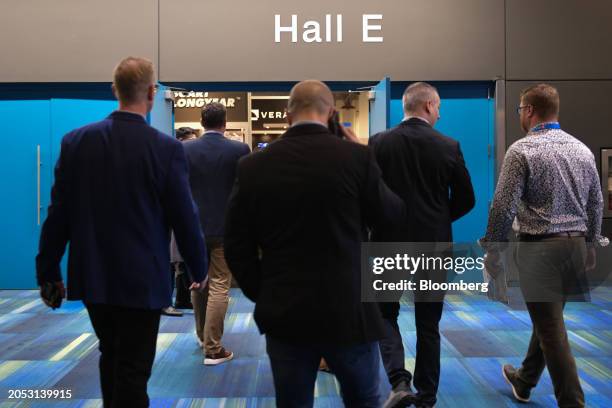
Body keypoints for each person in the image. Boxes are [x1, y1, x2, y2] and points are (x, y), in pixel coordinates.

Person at [35, 56, 208, 408]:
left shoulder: (76, 142)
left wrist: (48, 271)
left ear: (115, 90)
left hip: (94, 273)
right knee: (133, 366)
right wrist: (198, 267)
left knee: (110, 353)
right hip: (143, 278)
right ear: (151, 92)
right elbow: (184, 216)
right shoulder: (166, 149)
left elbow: (58, 215)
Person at [224, 80, 405, 407]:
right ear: (332, 113)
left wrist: (263, 292)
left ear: (287, 113)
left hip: (285, 311)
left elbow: (237, 244)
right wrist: (364, 155)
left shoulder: (253, 166)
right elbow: (392, 216)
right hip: (349, 309)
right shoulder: (356, 158)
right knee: (364, 400)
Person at [481, 84, 603, 408]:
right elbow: (596, 203)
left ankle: (572, 402)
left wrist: (492, 249)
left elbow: (503, 206)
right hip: (574, 247)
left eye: (520, 109)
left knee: (551, 330)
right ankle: (525, 380)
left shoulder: (522, 150)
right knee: (548, 319)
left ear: (530, 110)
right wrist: (590, 243)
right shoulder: (582, 150)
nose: (520, 114)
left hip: (539, 251)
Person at [369, 82, 475, 408]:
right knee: (428, 324)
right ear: (428, 105)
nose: (440, 113)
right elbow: (467, 199)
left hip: (387, 244)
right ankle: (427, 397)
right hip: (432, 245)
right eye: (439, 107)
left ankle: (399, 381)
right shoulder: (448, 145)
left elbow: (367, 194)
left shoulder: (379, 143)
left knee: (385, 315)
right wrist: (440, 219)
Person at [183, 102, 250, 364]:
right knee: (220, 284)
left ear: (201, 122)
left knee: (199, 283)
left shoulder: (185, 148)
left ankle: (202, 336)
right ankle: (212, 347)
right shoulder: (239, 149)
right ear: (225, 122)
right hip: (225, 228)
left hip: (194, 229)